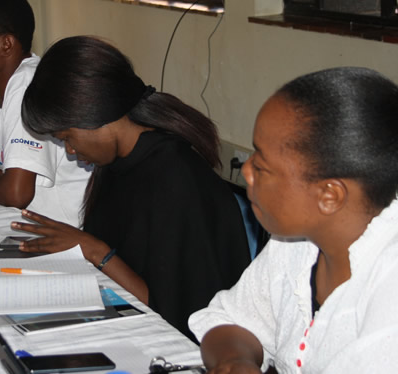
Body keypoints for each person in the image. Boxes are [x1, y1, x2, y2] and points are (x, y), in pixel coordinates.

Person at [13, 36, 251, 341]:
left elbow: (177, 314)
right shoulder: (116, 162)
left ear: (95, 116)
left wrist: (92, 249)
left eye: (67, 137)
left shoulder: (175, 177)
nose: (70, 151)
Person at [188, 67, 398, 373]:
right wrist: (236, 361)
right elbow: (232, 321)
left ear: (329, 196)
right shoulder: (300, 242)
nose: (246, 172)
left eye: (262, 167)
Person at [0, 0, 90, 228]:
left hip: (67, 235)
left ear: (6, 45)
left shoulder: (29, 85)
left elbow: (16, 194)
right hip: (25, 224)